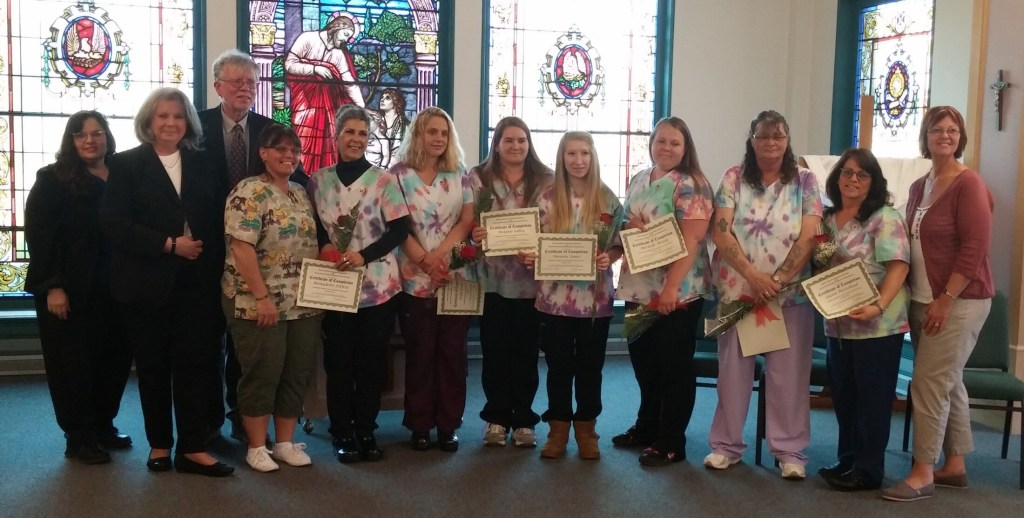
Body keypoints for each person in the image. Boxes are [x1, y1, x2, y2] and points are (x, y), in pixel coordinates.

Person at [100, 88, 233, 477]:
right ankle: (160, 444)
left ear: (187, 122)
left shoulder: (204, 163)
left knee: (196, 366)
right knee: (154, 367)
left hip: (197, 284)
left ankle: (192, 448)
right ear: (149, 122)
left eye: (178, 116)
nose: (171, 123)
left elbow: (217, 217)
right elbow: (114, 223)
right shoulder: (125, 165)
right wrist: (168, 244)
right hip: (145, 284)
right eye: (163, 117)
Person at [882, 106, 994, 502]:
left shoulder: (970, 185)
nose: (944, 136)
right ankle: (955, 465)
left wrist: (947, 298)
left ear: (960, 137)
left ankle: (922, 472)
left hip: (959, 300)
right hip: (925, 299)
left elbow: (975, 248)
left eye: (952, 130)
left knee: (929, 384)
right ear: (925, 136)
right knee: (949, 381)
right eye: (936, 130)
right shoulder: (919, 186)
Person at [706, 110, 822, 479]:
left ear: (788, 141)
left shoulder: (805, 181)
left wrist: (778, 281)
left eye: (779, 136)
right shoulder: (732, 177)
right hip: (740, 292)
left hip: (789, 298)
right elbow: (721, 233)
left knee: (788, 376)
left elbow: (810, 235)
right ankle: (726, 446)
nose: (771, 142)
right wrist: (754, 277)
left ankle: (789, 451)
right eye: (763, 136)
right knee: (733, 373)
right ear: (751, 140)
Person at [199, 48, 306, 441]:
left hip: (261, 257)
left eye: (251, 82)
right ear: (218, 86)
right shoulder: (196, 126)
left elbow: (295, 174)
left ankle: (243, 420)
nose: (245, 88)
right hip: (207, 249)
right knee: (208, 342)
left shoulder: (268, 128)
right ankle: (206, 425)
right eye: (237, 82)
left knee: (250, 350)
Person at [24, 111, 133, 465]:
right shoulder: (53, 179)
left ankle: (103, 425)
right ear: (70, 140)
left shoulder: (123, 174)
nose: (90, 140)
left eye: (97, 133)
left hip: (116, 288)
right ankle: (79, 436)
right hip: (70, 291)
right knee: (74, 365)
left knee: (113, 360)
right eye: (81, 134)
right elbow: (40, 236)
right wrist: (53, 286)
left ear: (107, 137)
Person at [307, 105, 411, 463]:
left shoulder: (384, 181)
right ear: (336, 137)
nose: (356, 139)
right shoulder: (318, 181)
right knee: (338, 362)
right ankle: (342, 431)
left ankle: (366, 429)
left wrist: (363, 256)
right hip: (334, 286)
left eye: (362, 134)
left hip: (377, 287)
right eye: (349, 132)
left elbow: (400, 229)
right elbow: (316, 224)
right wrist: (324, 246)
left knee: (370, 363)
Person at [221, 123, 324, 472]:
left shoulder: (299, 191)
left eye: (294, 150)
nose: (289, 156)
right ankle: (256, 445)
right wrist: (262, 296)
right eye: (280, 149)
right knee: (263, 371)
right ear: (263, 153)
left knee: (296, 371)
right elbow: (241, 247)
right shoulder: (248, 191)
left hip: (302, 301)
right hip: (256, 300)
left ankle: (283, 442)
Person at [613, 117, 713, 466]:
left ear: (686, 148)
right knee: (644, 364)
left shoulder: (692, 184)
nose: (667, 148)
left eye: (675, 143)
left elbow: (693, 238)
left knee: (673, 367)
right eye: (661, 141)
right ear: (651, 143)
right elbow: (626, 221)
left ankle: (671, 441)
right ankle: (646, 427)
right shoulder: (640, 178)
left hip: (678, 291)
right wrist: (628, 224)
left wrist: (671, 287)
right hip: (638, 285)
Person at [520, 131, 623, 461]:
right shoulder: (548, 198)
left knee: (591, 368)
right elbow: (533, 241)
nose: (578, 161)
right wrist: (530, 255)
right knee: (558, 366)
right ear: (561, 158)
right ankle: (558, 427)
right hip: (554, 300)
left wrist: (612, 256)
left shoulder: (608, 200)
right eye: (571, 154)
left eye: (584, 154)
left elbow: (620, 242)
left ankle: (586, 428)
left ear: (593, 158)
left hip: (596, 300)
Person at [816, 148, 910, 491]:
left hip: (878, 325)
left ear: (874, 182)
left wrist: (879, 305)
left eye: (862, 174)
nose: (852, 179)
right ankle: (848, 460)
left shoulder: (884, 217)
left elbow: (898, 266)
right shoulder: (826, 219)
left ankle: (869, 470)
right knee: (844, 397)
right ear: (837, 176)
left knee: (872, 400)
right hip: (839, 324)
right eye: (847, 172)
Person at [392, 107, 474, 453]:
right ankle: (421, 424)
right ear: (418, 135)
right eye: (431, 132)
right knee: (421, 354)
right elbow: (396, 226)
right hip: (414, 277)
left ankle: (448, 425)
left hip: (456, 277)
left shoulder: (460, 173)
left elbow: (466, 221)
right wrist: (426, 261)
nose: (438, 138)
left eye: (444, 133)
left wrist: (440, 257)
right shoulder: (397, 174)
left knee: (453, 355)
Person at [468, 116, 553, 448]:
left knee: (526, 353)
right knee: (494, 351)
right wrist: (476, 233)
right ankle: (496, 418)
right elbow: (467, 222)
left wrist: (540, 248)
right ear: (497, 144)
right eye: (509, 140)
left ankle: (524, 420)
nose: (516, 146)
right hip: (492, 280)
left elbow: (555, 224)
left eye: (521, 140)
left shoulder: (546, 179)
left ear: (528, 144)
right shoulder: (478, 177)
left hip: (530, 281)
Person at [285, 11, 367, 173]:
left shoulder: (338, 55)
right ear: (335, 28)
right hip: (304, 102)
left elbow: (349, 83)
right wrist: (315, 69)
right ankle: (299, 173)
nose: (346, 40)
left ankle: (320, 176)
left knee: (327, 141)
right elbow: (289, 64)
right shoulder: (308, 39)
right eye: (345, 34)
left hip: (326, 107)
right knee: (303, 136)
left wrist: (361, 108)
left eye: (349, 37)